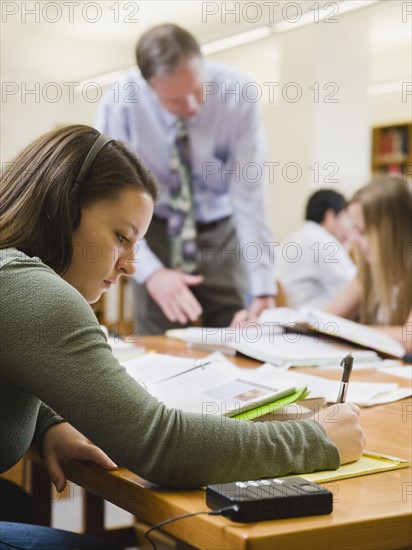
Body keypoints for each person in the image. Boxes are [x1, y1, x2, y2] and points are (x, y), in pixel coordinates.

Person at [0, 125, 365, 546]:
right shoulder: (33, 293)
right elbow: (161, 445)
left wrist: (48, 423)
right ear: (63, 209)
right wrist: (316, 438)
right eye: (122, 238)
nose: (131, 266)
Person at [94, 23, 277, 334]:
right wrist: (152, 273)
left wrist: (263, 287)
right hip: (153, 229)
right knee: (158, 336)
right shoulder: (121, 104)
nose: (192, 107)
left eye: (197, 90)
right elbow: (113, 204)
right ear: (149, 86)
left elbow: (249, 196)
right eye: (176, 101)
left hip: (220, 231)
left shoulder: (238, 96)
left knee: (236, 331)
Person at [326, 175, 412, 353]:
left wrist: (351, 331)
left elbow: (408, 339)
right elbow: (325, 320)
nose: (354, 240)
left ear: (391, 233)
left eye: (362, 232)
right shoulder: (370, 271)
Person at [276, 189, 357, 308]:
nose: (346, 226)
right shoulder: (322, 241)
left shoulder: (297, 236)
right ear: (330, 216)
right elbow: (354, 287)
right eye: (344, 217)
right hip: (312, 320)